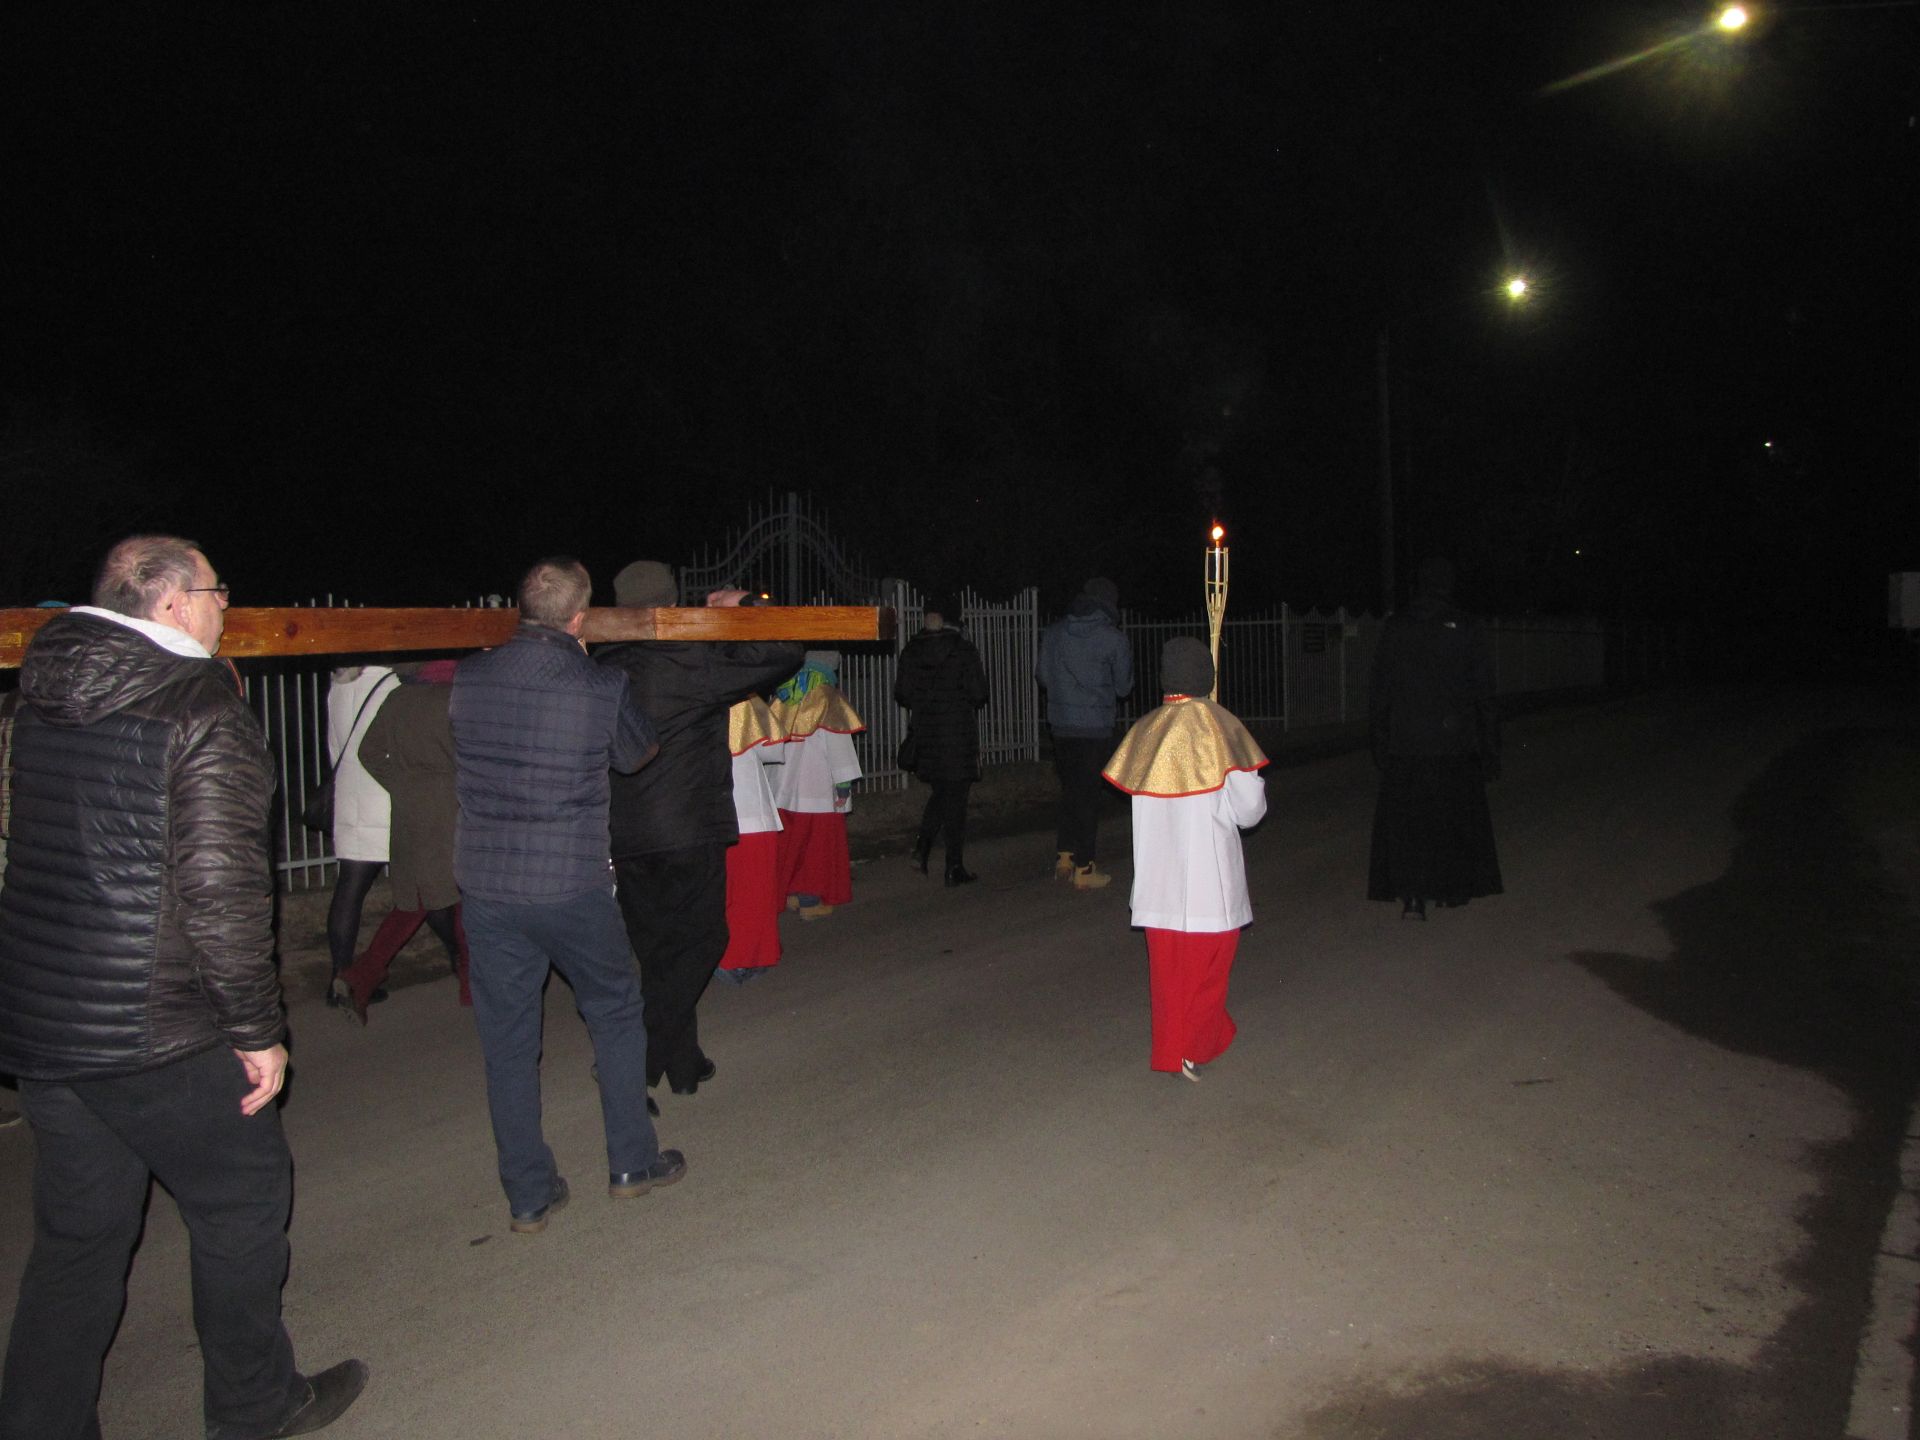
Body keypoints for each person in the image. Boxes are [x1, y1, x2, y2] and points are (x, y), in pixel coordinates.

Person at [0, 535, 367, 1439]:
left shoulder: (40, 693)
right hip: (158, 1024)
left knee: (80, 1237)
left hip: (49, 1020)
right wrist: (255, 1029)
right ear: (170, 602)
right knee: (242, 1200)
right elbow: (222, 892)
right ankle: (254, 1404)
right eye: (214, 591)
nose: (223, 606)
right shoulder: (201, 706)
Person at [450, 556, 685, 1234]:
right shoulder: (599, 683)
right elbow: (637, 754)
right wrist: (590, 672)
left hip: (488, 885)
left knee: (507, 1042)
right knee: (614, 1011)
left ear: (521, 608)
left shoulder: (470, 676)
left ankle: (528, 1194)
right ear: (579, 619)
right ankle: (631, 1164)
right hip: (570, 882)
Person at [596, 559, 803, 1097]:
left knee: (659, 951)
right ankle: (638, 1058)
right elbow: (786, 648)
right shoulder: (689, 658)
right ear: (672, 604)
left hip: (624, 830)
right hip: (686, 825)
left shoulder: (602, 663)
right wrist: (747, 606)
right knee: (706, 937)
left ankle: (683, 1063)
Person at [1103, 637, 1268, 1081]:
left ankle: (1173, 1048)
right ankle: (1193, 1045)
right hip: (1210, 884)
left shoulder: (1145, 732)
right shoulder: (1221, 729)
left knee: (1168, 976)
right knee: (1208, 973)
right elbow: (1250, 811)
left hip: (1158, 883)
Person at [332, 661, 471, 1022]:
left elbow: (368, 752)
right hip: (449, 812)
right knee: (462, 899)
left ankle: (360, 977)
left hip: (408, 815)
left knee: (416, 901)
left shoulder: (398, 697)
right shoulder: (455, 699)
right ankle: (474, 986)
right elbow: (470, 757)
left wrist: (401, 784)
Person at [1366, 557, 1503, 919]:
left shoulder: (1397, 627)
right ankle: (1449, 891)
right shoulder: (1466, 627)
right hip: (1454, 744)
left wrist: (1380, 741)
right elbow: (1484, 693)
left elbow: (1380, 690)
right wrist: (1489, 747)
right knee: (1450, 820)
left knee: (1410, 822)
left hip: (1407, 744)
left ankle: (1412, 896)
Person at [1037, 576, 1133, 889]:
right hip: (1095, 727)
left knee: (1071, 790)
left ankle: (1064, 856)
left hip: (1061, 725)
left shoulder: (1053, 633)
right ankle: (1085, 867)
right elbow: (1124, 687)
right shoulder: (1113, 639)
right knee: (1088, 795)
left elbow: (1043, 676)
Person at [893, 592, 989, 886]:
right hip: (958, 735)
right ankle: (953, 867)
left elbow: (902, 694)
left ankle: (922, 850)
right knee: (955, 800)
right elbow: (979, 694)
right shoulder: (963, 649)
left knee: (942, 793)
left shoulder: (912, 649)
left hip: (926, 733)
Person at [321, 664, 399, 1007]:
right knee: (424, 888)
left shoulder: (338, 685)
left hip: (349, 796)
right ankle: (463, 962)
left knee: (349, 890)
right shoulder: (391, 682)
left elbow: (334, 746)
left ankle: (339, 977)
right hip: (383, 796)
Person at [771, 650, 864, 918]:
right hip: (818, 790)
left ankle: (790, 893)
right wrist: (843, 783)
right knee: (816, 848)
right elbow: (838, 745)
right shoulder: (828, 699)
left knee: (789, 846)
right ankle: (809, 901)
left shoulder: (785, 696)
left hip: (784, 790)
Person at [716, 694, 787, 982]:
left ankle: (722, 956)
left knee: (723, 891)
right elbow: (774, 750)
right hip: (750, 817)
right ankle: (740, 959)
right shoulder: (745, 701)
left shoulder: (692, 696)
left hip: (708, 817)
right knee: (754, 895)